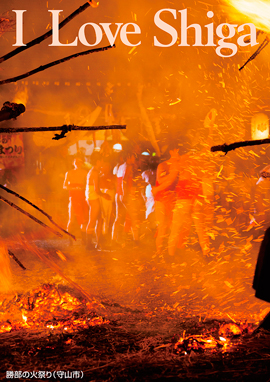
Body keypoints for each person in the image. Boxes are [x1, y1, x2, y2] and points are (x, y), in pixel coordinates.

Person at [85, 152, 111, 250]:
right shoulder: (94, 172)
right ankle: (88, 244)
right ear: (98, 161)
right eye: (102, 161)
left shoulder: (93, 171)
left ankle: (98, 242)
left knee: (99, 220)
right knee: (92, 220)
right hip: (93, 198)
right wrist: (104, 195)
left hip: (93, 197)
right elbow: (96, 189)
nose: (103, 163)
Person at [63, 158, 89, 243]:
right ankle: (69, 238)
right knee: (71, 219)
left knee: (84, 218)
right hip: (73, 198)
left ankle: (84, 239)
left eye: (79, 162)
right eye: (76, 162)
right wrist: (74, 188)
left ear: (82, 163)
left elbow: (88, 184)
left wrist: (83, 187)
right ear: (73, 163)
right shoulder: (69, 173)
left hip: (82, 197)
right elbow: (64, 186)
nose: (78, 164)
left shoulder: (85, 173)